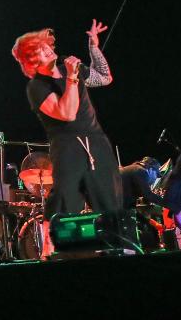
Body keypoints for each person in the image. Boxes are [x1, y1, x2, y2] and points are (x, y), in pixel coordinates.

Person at [11, 20, 122, 256]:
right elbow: (67, 113)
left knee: (109, 200)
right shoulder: (37, 87)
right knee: (66, 201)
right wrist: (71, 78)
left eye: (46, 44)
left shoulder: (70, 68)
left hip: (96, 140)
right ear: (33, 60)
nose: (48, 48)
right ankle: (53, 252)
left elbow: (104, 78)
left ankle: (117, 250)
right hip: (68, 145)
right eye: (40, 49)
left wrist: (93, 47)